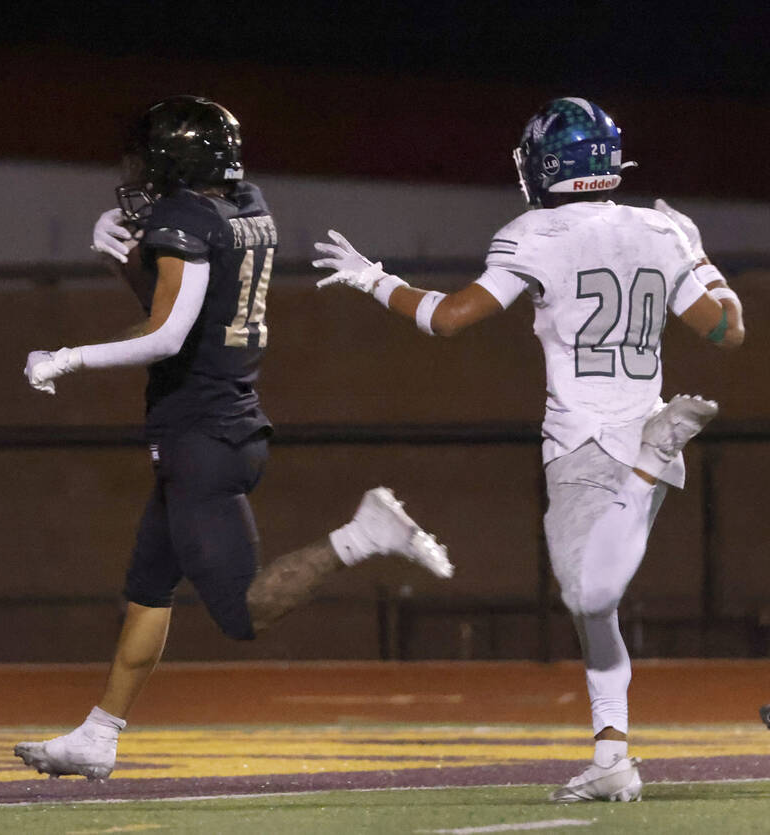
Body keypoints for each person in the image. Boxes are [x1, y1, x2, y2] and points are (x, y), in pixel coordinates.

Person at [312, 97, 745, 803]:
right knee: (594, 611)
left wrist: (373, 278)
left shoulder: (535, 231)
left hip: (585, 439)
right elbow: (728, 332)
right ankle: (613, 755)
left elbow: (448, 319)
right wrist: (699, 255)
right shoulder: (661, 231)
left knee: (586, 591)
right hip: (646, 419)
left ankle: (640, 472)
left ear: (549, 165)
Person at [14, 95, 454, 780]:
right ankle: (101, 731)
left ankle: (365, 533)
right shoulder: (244, 204)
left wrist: (68, 356)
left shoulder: (187, 217)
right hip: (212, 423)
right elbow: (189, 307)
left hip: (204, 436)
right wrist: (127, 261)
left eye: (149, 161)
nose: (139, 174)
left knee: (243, 613)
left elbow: (167, 332)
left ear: (174, 163)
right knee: (147, 590)